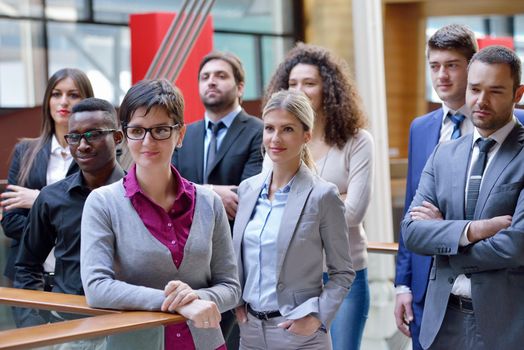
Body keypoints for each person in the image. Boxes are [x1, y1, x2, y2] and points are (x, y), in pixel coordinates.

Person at [81, 79, 241, 350]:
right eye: (137, 130)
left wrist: (196, 296)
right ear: (124, 135)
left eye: (160, 130)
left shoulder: (209, 202)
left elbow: (231, 287)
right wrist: (179, 304)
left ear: (180, 135)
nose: (148, 141)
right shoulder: (102, 203)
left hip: (204, 344)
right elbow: (97, 288)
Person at [402, 45, 524, 349]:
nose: (481, 101)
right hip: (442, 322)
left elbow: (517, 246)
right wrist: (473, 231)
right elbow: (412, 233)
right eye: (474, 89)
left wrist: (443, 243)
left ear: (518, 94)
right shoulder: (443, 154)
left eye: (495, 91)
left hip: (507, 326)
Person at [264, 43, 373, 349]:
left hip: (345, 273)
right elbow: (271, 206)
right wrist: (333, 195)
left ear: (329, 89)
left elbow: (354, 214)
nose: (300, 90)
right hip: (294, 279)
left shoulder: (358, 141)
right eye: (293, 84)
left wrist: (298, 200)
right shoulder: (278, 139)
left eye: (309, 83)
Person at [233, 90, 355, 350]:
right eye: (269, 128)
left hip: (300, 336)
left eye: (287, 129)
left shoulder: (323, 195)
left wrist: (317, 317)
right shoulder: (247, 190)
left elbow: (343, 272)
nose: (275, 138)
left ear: (306, 136)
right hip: (250, 332)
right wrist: (237, 303)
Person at [393, 25, 478, 349]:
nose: (441, 75)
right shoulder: (421, 128)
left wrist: (444, 227)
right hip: (424, 289)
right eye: (434, 65)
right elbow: (412, 211)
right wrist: (403, 284)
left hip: (485, 288)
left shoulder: (513, 126)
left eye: (452, 65)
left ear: (473, 66)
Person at [171, 51, 263, 347]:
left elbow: (245, 195)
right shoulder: (186, 133)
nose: (211, 82)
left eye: (221, 76)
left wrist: (194, 190)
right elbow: (170, 186)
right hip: (190, 255)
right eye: (205, 77)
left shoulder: (259, 132)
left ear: (239, 87)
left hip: (238, 258)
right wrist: (212, 191)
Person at [14, 98, 124, 328]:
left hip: (127, 326)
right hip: (66, 327)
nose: (82, 145)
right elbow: (27, 265)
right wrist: (33, 326)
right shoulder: (52, 198)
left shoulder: (138, 195)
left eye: (93, 134)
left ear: (117, 137)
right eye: (74, 136)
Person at [1, 68, 94, 291]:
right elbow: (10, 222)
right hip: (26, 276)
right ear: (47, 101)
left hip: (78, 278)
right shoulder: (24, 151)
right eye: (56, 94)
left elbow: (93, 220)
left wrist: (39, 200)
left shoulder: (96, 155)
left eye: (73, 95)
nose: (64, 102)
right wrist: (63, 222)